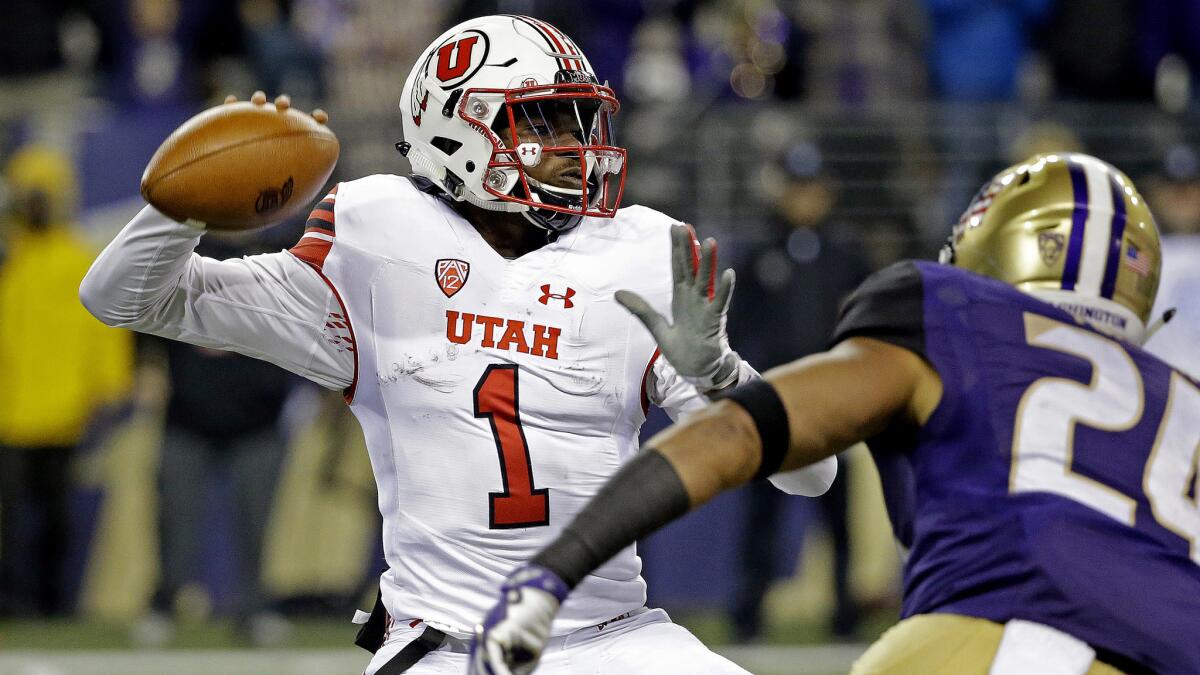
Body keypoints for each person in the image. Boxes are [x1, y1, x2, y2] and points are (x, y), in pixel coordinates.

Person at [79, 15, 836, 674]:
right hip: (447, 648)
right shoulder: (377, 239)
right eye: (544, 123)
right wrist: (181, 204)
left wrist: (724, 374)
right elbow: (120, 295)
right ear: (458, 132)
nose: (577, 147)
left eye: (579, 120)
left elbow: (814, 476)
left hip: (616, 638)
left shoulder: (640, 250)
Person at [471, 152, 1200, 675]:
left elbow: (744, 430)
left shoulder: (958, 314)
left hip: (1015, 645)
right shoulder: (1184, 400)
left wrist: (554, 569)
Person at [727, 142, 869, 641]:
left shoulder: (846, 252)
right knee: (762, 514)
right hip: (774, 402)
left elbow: (866, 324)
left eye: (813, 188)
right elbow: (738, 330)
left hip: (832, 405)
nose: (805, 198)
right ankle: (748, 615)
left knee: (838, 517)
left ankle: (845, 615)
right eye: (797, 188)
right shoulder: (760, 250)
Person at [0, 145, 134, 616]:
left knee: (58, 524)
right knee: (8, 524)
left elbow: (103, 327)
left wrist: (110, 391)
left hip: (67, 416)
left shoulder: (80, 259)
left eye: (42, 195)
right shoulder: (8, 259)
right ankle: (13, 604)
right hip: (9, 416)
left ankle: (52, 605)